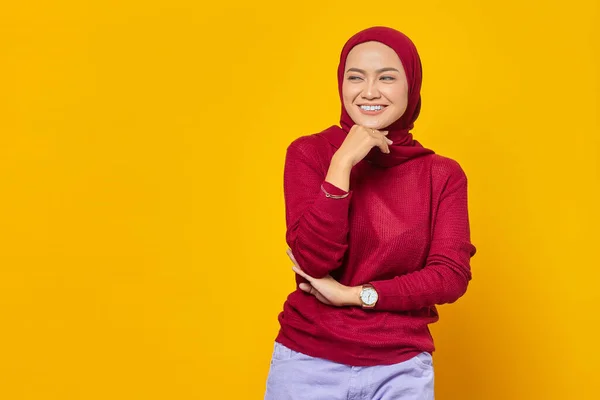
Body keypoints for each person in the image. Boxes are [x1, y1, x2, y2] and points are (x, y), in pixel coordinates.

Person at [264, 26, 477, 400]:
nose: (369, 91)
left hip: (400, 367)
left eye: (387, 77)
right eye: (355, 77)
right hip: (307, 364)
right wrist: (343, 161)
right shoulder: (308, 154)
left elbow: (450, 276)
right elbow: (314, 261)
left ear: (411, 87)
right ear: (340, 84)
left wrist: (354, 295)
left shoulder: (441, 174)